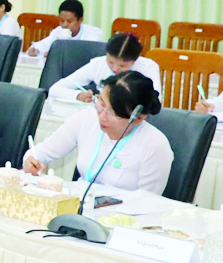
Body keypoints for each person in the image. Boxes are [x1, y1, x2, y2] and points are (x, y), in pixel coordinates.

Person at [25, 71, 172, 194]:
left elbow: (147, 201)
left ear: (138, 118)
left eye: (113, 113)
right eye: (101, 102)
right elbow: (41, 152)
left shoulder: (154, 144)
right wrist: (32, 160)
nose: (102, 116)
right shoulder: (85, 118)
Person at [49, 33, 162, 104]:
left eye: (122, 66)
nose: (115, 68)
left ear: (135, 60)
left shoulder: (148, 67)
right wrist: (77, 96)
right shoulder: (98, 64)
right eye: (111, 62)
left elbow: (155, 101)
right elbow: (55, 89)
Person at [27, 0, 104, 57]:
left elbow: (90, 51)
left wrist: (56, 53)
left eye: (69, 21)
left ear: (80, 20)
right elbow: (44, 44)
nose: (64, 25)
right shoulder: (58, 31)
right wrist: (35, 50)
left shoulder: (93, 32)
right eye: (62, 20)